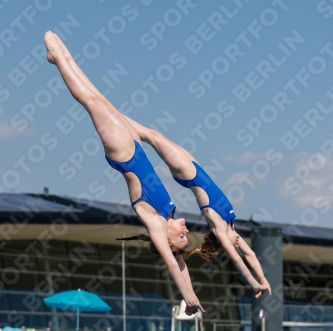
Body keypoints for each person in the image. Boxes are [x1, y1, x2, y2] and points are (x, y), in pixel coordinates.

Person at [43, 31, 203, 315]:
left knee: (91, 101)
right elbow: (181, 263)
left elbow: (172, 263)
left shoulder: (154, 222)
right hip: (135, 149)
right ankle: (62, 57)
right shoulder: (165, 214)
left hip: (125, 155)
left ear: (165, 240)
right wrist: (193, 293)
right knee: (98, 98)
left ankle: (59, 60)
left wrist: (188, 298)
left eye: (182, 236)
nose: (186, 230)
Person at [120, 117, 272, 298]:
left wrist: (253, 283)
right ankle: (116, 117)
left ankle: (115, 116)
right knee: (151, 135)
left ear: (221, 243)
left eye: (233, 246)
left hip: (187, 172)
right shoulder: (231, 226)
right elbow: (250, 255)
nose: (239, 245)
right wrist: (262, 278)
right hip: (196, 168)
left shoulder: (219, 227)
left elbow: (238, 259)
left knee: (151, 135)